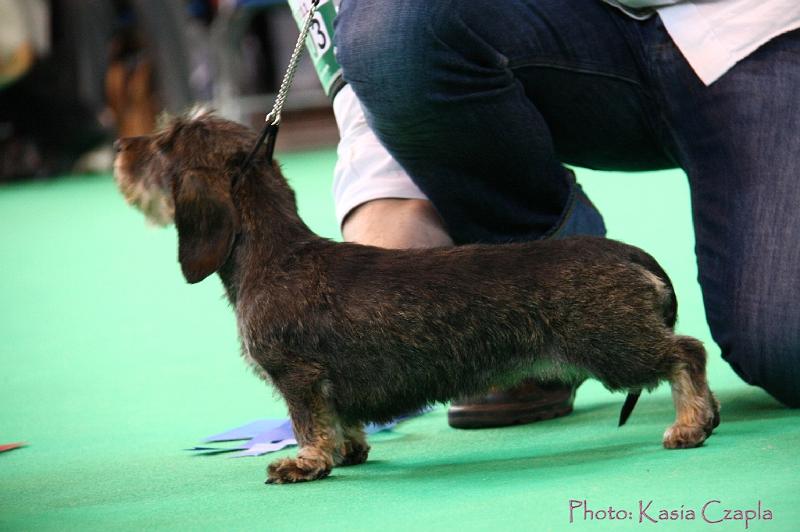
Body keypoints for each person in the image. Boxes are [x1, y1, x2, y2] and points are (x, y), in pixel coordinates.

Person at [318, 0, 800, 427]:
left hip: (759, 28)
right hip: (565, 29)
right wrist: (385, 202)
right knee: (394, 27)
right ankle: (535, 319)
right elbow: (370, 49)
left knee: (786, 351)